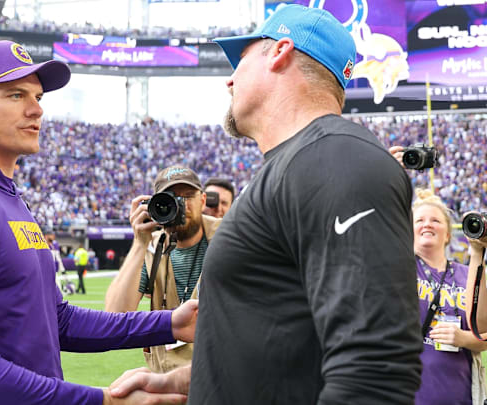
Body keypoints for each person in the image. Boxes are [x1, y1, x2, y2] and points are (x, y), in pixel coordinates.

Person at [110, 5, 422, 404]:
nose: (229, 80)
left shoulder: (337, 158)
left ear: (279, 52)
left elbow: (375, 368)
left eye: (240, 60)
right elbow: (287, 347)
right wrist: (190, 379)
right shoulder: (300, 164)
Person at [0, 40, 196, 405]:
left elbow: (56, 320)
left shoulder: (4, 193)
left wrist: (172, 323)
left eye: (38, 97)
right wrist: (103, 401)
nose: (36, 110)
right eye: (16, 95)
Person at [105, 165, 220, 373]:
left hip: (216, 375)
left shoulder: (226, 238)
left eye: (187, 196)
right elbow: (115, 317)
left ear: (203, 200)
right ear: (155, 205)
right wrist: (139, 243)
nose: (181, 205)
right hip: (168, 380)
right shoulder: (151, 248)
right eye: (172, 198)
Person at [409, 188, 487, 405]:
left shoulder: (466, 273)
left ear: (448, 234)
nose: (427, 224)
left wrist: (477, 253)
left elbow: (483, 332)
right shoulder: (400, 267)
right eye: (419, 220)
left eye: (435, 220)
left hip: (461, 396)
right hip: (410, 394)